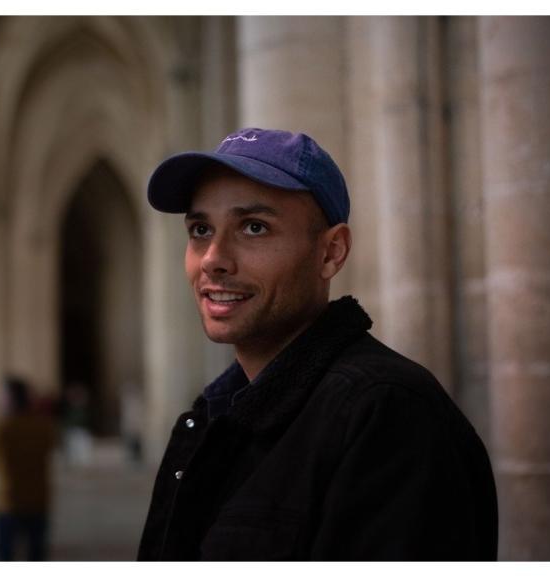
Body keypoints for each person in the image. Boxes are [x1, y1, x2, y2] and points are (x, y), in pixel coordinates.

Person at [137, 128, 498, 561]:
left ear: (331, 252)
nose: (213, 258)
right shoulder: (213, 416)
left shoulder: (386, 414)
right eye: (200, 229)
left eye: (254, 227)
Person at [0, 376, 58, 561]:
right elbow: (50, 447)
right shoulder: (43, 426)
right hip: (38, 499)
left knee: (5, 555)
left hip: (9, 500)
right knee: (36, 555)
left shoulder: (1, 429)